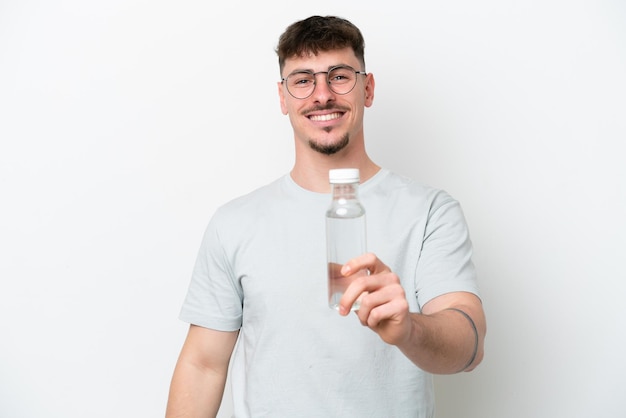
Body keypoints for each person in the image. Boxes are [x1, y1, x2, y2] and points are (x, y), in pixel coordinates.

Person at [166, 15, 486, 418]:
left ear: (367, 89)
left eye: (339, 76)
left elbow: (470, 347)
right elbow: (203, 366)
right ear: (283, 98)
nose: (322, 95)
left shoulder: (429, 211)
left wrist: (409, 330)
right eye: (302, 80)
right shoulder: (235, 223)